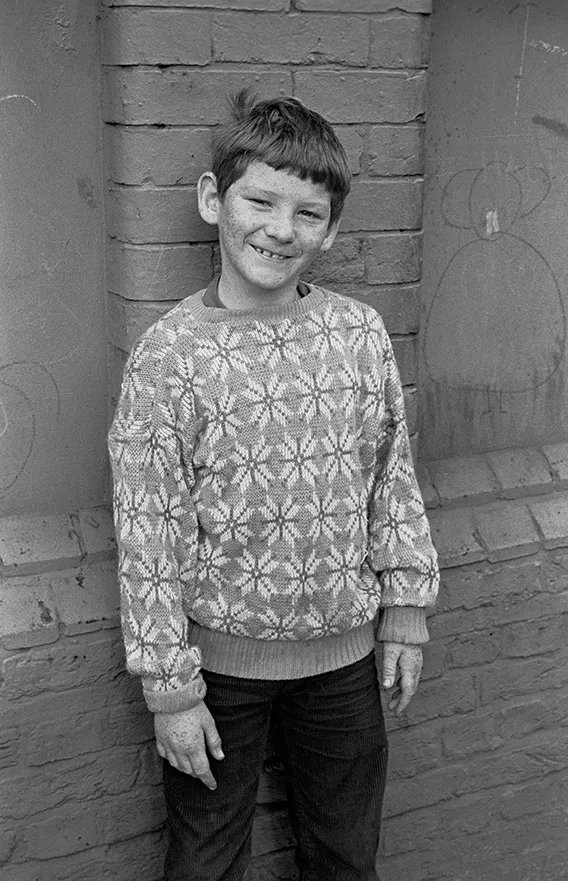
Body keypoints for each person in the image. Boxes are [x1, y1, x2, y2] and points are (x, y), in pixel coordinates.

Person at [108, 90, 439, 881]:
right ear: (211, 198)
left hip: (344, 666)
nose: (281, 229)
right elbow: (148, 525)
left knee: (344, 854)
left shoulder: (356, 334)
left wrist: (405, 610)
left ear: (332, 227)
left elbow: (389, 471)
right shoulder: (170, 354)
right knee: (206, 860)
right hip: (216, 674)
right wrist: (169, 688)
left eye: (308, 212)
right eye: (260, 200)